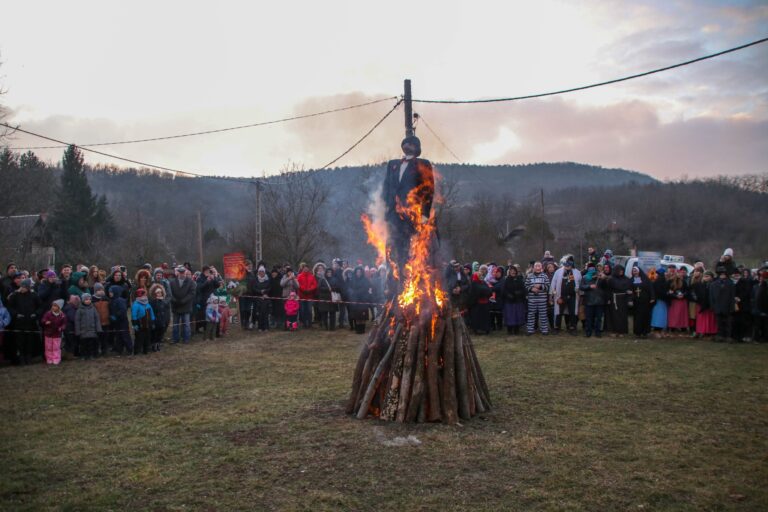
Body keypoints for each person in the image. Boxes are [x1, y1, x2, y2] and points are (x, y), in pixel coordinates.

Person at [382, 135, 435, 288]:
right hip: (393, 214)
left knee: (409, 248)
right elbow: (387, 187)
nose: (407, 146)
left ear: (417, 148)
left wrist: (425, 214)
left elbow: (428, 190)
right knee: (392, 248)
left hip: (412, 213)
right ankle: (393, 282)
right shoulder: (393, 164)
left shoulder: (423, 164)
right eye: (405, 143)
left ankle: (409, 281)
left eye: (411, 144)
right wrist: (387, 208)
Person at [6, 278, 42, 365]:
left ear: (28, 287)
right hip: (19, 323)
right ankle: (21, 358)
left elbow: (40, 307)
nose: (22, 289)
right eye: (21, 287)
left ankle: (29, 357)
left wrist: (35, 314)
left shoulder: (34, 295)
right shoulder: (15, 295)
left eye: (24, 287)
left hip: (30, 322)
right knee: (20, 342)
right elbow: (9, 307)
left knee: (30, 341)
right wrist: (16, 314)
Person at [552, 260, 580, 335]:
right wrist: (554, 294)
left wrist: (579, 292)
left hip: (572, 296)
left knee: (572, 312)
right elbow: (553, 283)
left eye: (569, 265)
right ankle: (557, 327)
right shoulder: (558, 272)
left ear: (572, 265)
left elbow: (580, 282)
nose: (567, 267)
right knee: (559, 312)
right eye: (566, 265)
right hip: (560, 296)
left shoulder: (576, 272)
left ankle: (572, 328)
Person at [580, 266, 608, 338]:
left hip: (599, 300)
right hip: (589, 300)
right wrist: (589, 286)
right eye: (590, 270)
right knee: (588, 318)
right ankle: (588, 332)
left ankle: (598, 332)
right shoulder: (585, 278)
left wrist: (604, 278)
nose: (592, 272)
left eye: (593, 270)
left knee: (598, 318)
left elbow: (606, 286)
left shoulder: (600, 277)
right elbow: (581, 287)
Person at [170, 266, 195, 344]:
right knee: (175, 324)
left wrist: (183, 301)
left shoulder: (191, 282)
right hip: (176, 306)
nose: (182, 274)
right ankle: (175, 339)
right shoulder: (172, 282)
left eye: (183, 272)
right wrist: (175, 300)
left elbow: (192, 293)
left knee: (186, 324)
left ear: (185, 273)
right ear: (178, 273)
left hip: (186, 306)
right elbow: (169, 293)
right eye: (180, 272)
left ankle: (186, 339)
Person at [710, 266, 735, 342]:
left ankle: (728, 336)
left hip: (727, 306)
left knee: (728, 323)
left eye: (724, 274)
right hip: (717, 307)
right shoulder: (713, 284)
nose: (722, 275)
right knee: (719, 323)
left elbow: (732, 296)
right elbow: (711, 297)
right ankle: (720, 336)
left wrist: (731, 307)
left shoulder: (730, 284)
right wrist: (713, 306)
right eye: (720, 274)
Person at [525, 261, 550, 335]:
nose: (537, 268)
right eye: (536, 266)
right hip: (532, 300)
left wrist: (541, 286)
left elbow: (548, 286)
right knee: (531, 315)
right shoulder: (529, 276)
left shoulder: (545, 276)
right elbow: (526, 286)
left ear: (541, 267)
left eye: (539, 266)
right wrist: (531, 289)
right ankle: (530, 330)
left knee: (543, 315)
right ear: (533, 268)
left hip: (542, 300)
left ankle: (544, 330)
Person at [629, 265, 654, 338]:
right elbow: (630, 289)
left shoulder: (645, 279)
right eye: (633, 270)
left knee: (645, 316)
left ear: (639, 271)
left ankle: (645, 332)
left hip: (645, 301)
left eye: (636, 270)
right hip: (636, 301)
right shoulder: (631, 280)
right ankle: (638, 332)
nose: (635, 271)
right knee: (637, 317)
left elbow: (650, 288)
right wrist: (630, 298)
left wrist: (652, 297)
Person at [75, 293, 102, 360]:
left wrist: (98, 329)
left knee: (91, 344)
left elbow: (97, 319)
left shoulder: (93, 309)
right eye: (86, 299)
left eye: (89, 299)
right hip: (83, 331)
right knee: (83, 345)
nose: (88, 301)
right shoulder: (79, 310)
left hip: (92, 330)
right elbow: (77, 321)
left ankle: (91, 355)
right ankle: (83, 355)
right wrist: (77, 331)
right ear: (83, 300)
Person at [606, 266, 632, 336]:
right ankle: (614, 331)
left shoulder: (626, 279)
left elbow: (629, 289)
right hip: (614, 299)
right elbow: (608, 290)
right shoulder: (611, 279)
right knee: (614, 316)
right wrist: (608, 299)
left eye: (622, 270)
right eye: (619, 270)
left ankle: (622, 331)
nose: (621, 272)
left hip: (623, 299)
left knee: (623, 316)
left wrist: (629, 299)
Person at [41, 299, 67, 365]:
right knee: (48, 347)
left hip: (57, 334)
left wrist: (61, 328)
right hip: (48, 333)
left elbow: (64, 324)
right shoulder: (48, 313)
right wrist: (45, 322)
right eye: (53, 305)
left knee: (56, 347)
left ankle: (56, 359)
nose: (53, 307)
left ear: (59, 307)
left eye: (55, 306)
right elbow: (43, 319)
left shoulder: (62, 315)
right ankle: (49, 359)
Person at [502, 266, 526, 335]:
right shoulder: (506, 279)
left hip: (518, 301)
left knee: (517, 315)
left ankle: (516, 329)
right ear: (509, 272)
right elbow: (504, 290)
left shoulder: (519, 279)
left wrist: (518, 293)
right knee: (510, 316)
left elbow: (523, 289)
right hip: (509, 302)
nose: (513, 272)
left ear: (516, 271)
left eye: (514, 270)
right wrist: (508, 295)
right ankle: (509, 329)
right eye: (511, 270)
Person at [348, 266, 372, 334]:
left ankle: (362, 329)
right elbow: (350, 288)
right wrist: (352, 292)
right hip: (355, 300)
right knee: (357, 316)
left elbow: (367, 288)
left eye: (360, 272)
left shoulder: (365, 279)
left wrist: (358, 292)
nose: (358, 273)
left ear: (362, 272)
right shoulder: (353, 279)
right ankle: (358, 329)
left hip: (363, 300)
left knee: (363, 316)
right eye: (357, 272)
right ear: (355, 272)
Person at [109, 285, 132, 354]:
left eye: (111, 292)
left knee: (125, 335)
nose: (110, 293)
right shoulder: (112, 300)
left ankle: (129, 349)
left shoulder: (120, 300)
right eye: (109, 292)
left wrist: (116, 316)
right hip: (117, 322)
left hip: (122, 321)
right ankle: (119, 349)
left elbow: (123, 310)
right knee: (118, 335)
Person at [131, 288, 155, 354]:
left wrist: (152, 322)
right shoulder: (136, 304)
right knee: (139, 338)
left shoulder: (148, 304)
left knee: (147, 337)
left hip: (148, 324)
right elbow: (134, 315)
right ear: (139, 295)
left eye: (145, 295)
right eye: (143, 294)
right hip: (140, 324)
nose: (145, 296)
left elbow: (152, 313)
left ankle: (145, 350)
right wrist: (135, 324)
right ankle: (136, 351)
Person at [92, 283, 110, 356]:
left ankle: (104, 350)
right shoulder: (92, 299)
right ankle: (96, 351)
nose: (101, 291)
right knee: (96, 338)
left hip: (106, 321)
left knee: (105, 338)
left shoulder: (106, 298)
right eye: (99, 290)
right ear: (95, 291)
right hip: (97, 322)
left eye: (102, 289)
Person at [297, 263, 317, 328]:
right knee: (303, 310)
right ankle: (304, 323)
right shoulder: (299, 276)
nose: (305, 269)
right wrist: (303, 290)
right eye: (304, 268)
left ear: (308, 269)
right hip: (302, 296)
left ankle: (310, 323)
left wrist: (309, 289)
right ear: (302, 269)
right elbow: (298, 284)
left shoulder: (312, 276)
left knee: (309, 310)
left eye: (307, 268)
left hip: (309, 296)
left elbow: (314, 285)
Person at [149, 283, 169, 351]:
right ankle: (153, 345)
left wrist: (165, 320)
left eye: (160, 292)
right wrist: (153, 322)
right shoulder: (152, 302)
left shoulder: (163, 302)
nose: (159, 294)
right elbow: (152, 313)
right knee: (155, 334)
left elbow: (166, 312)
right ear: (154, 293)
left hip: (162, 321)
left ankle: (158, 344)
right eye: (158, 292)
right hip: (156, 321)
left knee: (160, 334)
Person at [650, 267, 669, 337]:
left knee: (662, 317)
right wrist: (667, 293)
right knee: (658, 317)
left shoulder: (661, 281)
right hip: (659, 301)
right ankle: (656, 331)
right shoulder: (658, 282)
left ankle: (660, 330)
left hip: (662, 301)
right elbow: (659, 291)